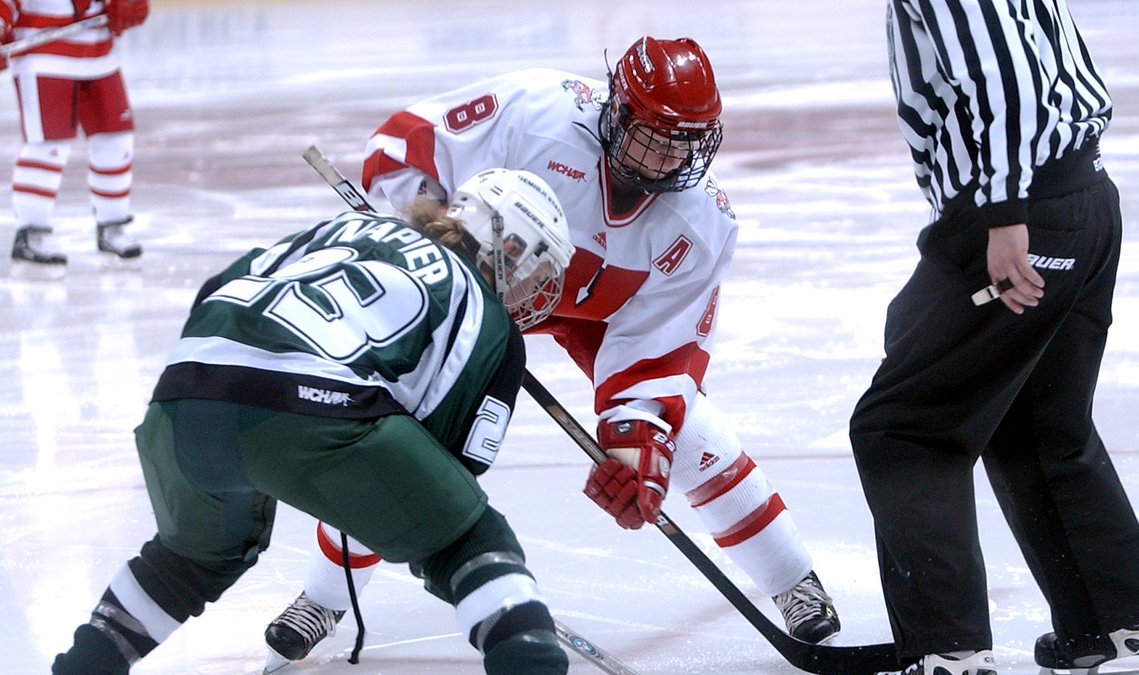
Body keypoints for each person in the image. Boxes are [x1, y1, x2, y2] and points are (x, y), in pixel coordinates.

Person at [262, 35, 843, 666]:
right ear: (617, 111)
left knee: (693, 436)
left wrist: (638, 444)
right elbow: (411, 145)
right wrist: (421, 237)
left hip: (602, 313)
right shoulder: (534, 112)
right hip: (484, 281)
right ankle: (325, 597)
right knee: (409, 433)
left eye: (684, 143)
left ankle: (792, 580)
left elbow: (655, 355)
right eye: (653, 137)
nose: (667, 160)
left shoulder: (702, 223)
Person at [51, 168, 577, 675]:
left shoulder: (342, 227)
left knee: (187, 562)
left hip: (183, 394)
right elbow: (451, 470)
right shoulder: (486, 315)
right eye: (535, 271)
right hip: (316, 409)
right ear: (509, 246)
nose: (533, 290)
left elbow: (218, 286)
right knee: (468, 540)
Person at [851, 2, 1139, 674]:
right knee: (1039, 422)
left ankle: (950, 653)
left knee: (905, 428)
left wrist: (1005, 214)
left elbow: (1003, 76)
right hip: (1083, 200)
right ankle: (1124, 621)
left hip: (1019, 217)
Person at [1, 0, 149, 278]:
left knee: (116, 140)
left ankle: (112, 226)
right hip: (42, 55)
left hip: (98, 52)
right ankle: (31, 233)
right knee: (48, 146)